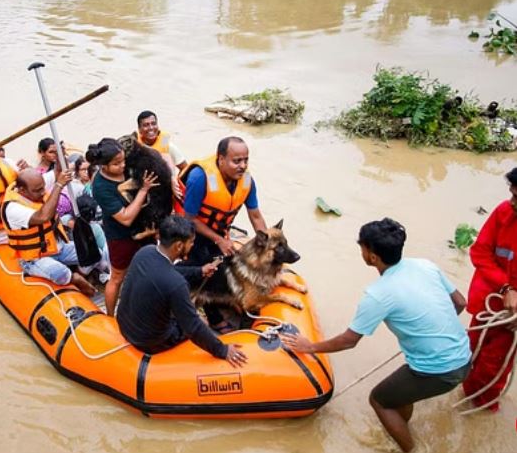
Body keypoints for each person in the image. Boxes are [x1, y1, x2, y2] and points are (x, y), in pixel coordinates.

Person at [281, 218, 471, 453]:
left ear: (372, 256)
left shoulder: (378, 294)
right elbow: (460, 302)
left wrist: (309, 346)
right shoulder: (425, 265)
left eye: (362, 246)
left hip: (440, 371)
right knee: (398, 393)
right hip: (465, 357)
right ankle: (401, 425)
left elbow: (349, 341)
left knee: (379, 400)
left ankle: (410, 449)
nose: (361, 250)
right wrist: (431, 330)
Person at [117, 215, 246, 367]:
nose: (192, 245)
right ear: (179, 246)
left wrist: (199, 271)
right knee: (201, 322)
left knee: (193, 318)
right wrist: (223, 350)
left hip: (125, 326)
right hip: (149, 342)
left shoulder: (145, 252)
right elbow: (193, 327)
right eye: (191, 242)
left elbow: (170, 270)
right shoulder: (176, 285)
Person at [179, 136, 267, 333]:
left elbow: (255, 215)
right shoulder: (199, 178)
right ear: (220, 159)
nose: (242, 165)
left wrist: (266, 244)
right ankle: (214, 318)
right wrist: (218, 240)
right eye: (237, 161)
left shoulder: (247, 181)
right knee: (207, 272)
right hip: (193, 233)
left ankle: (232, 303)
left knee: (228, 267)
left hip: (220, 231)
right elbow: (189, 218)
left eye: (246, 160)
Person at [461, 167, 517, 412]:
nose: (512, 202)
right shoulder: (504, 212)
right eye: (512, 195)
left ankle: (483, 412)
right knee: (467, 356)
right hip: (488, 307)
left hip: (510, 321)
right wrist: (507, 288)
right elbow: (480, 252)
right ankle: (464, 401)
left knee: (491, 370)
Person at [86, 138, 159, 316]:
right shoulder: (101, 187)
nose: (123, 165)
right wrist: (143, 191)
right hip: (121, 235)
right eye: (117, 163)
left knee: (150, 270)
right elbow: (125, 218)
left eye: (124, 160)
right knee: (117, 277)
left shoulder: (127, 167)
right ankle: (110, 315)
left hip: (143, 230)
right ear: (104, 165)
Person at [0, 168, 97, 296]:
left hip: (57, 247)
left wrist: (58, 152)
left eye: (43, 188)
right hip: (35, 258)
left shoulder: (36, 184)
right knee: (61, 273)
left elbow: (58, 170)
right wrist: (58, 185)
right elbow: (43, 217)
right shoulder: (13, 208)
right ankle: (76, 280)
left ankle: (82, 274)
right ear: (22, 190)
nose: (42, 193)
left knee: (94, 253)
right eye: (37, 190)